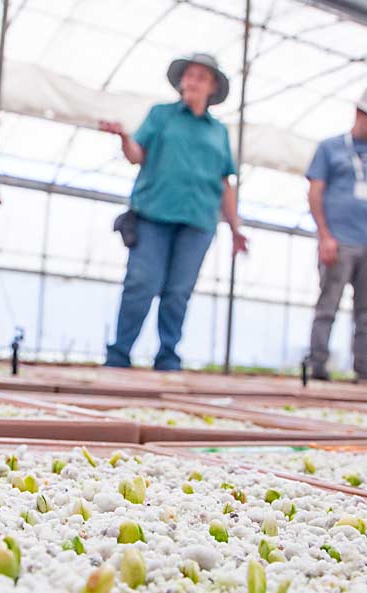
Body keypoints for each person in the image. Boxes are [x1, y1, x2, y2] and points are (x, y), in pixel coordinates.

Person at [99, 53, 248, 371]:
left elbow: (225, 181)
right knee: (142, 282)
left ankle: (168, 354)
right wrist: (125, 137)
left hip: (198, 220)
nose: (193, 81)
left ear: (212, 88)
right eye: (190, 75)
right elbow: (137, 154)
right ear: (181, 81)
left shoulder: (218, 132)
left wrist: (236, 227)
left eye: (201, 77)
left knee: (179, 291)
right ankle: (120, 353)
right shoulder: (162, 115)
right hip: (154, 214)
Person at [305, 88, 367, 382]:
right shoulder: (330, 148)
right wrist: (325, 235)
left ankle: (364, 370)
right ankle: (318, 365)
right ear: (359, 114)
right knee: (327, 305)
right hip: (339, 240)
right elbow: (315, 192)